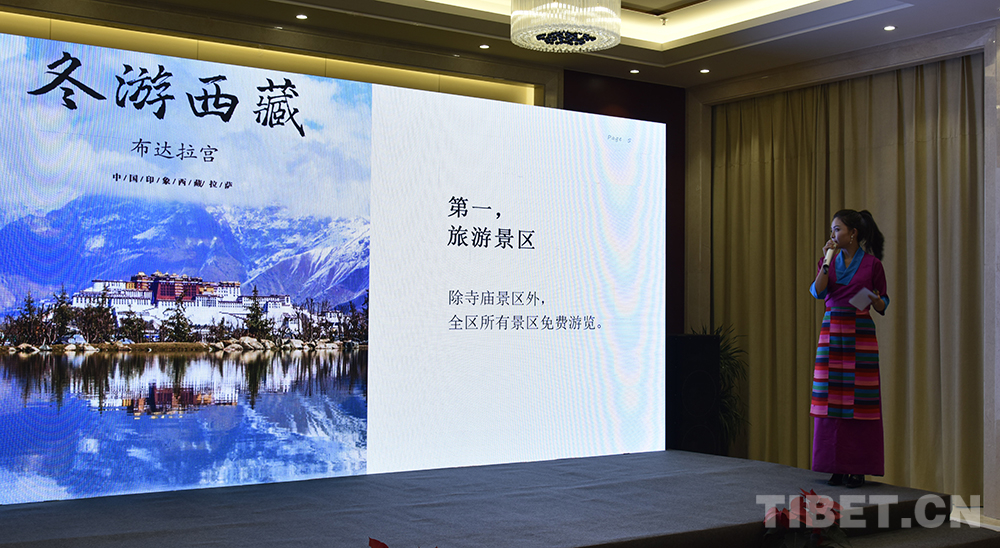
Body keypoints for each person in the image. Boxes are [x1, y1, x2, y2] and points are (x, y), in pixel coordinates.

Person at [808, 209, 888, 488]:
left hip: (860, 334)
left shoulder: (872, 265)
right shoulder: (827, 261)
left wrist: (876, 300)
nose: (833, 234)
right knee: (829, 399)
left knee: (861, 403)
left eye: (837, 229)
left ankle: (857, 468)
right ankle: (835, 466)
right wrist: (826, 261)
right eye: (832, 229)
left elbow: (883, 303)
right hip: (831, 332)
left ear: (853, 233)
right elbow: (818, 292)